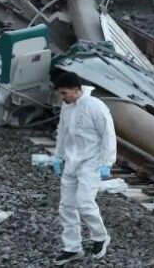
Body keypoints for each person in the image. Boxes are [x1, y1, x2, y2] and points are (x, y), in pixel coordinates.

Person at [51, 73, 117, 266]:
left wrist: (107, 162)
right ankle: (72, 248)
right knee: (66, 206)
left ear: (76, 90)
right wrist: (59, 156)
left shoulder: (95, 106)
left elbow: (108, 135)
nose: (62, 97)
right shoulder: (67, 106)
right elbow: (63, 132)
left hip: (91, 162)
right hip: (72, 161)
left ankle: (100, 237)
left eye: (64, 93)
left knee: (85, 202)